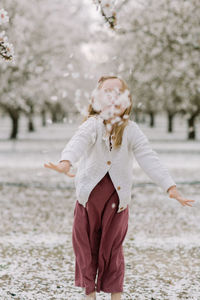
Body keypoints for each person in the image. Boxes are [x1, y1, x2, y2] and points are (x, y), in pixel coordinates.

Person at [44, 75, 195, 300]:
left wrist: (169, 186)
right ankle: (90, 293)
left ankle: (116, 295)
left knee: (112, 247)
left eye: (118, 92)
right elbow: (78, 142)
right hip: (88, 200)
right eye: (107, 91)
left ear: (126, 100)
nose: (112, 96)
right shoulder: (92, 125)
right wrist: (65, 162)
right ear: (96, 98)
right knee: (85, 245)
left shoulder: (131, 130)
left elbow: (148, 157)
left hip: (117, 202)